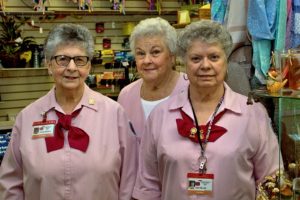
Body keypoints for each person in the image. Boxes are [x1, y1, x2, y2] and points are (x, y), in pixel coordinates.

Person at [132, 20, 280, 200]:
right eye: (196, 58)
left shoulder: (253, 114)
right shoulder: (160, 116)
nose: (205, 65)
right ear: (183, 62)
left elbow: (271, 182)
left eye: (214, 57)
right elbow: (148, 186)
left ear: (226, 61)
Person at [0, 23, 137, 200]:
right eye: (62, 59)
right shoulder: (27, 118)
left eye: (79, 60)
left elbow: (130, 179)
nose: (71, 67)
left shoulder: (114, 114)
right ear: (49, 65)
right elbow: (11, 184)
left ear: (88, 67)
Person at [117, 17, 189, 139]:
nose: (146, 61)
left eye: (155, 52)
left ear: (172, 57)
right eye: (140, 53)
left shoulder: (192, 89)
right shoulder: (126, 95)